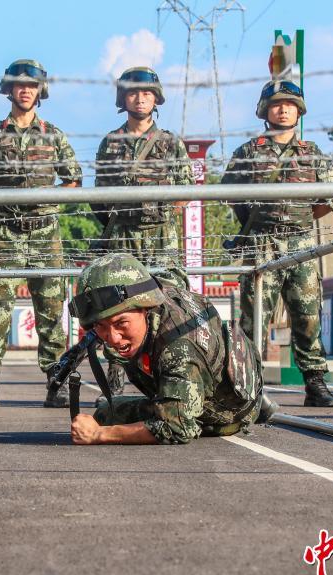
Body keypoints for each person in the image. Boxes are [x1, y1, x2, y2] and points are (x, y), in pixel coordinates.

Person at [0, 59, 82, 409]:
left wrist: (48, 202)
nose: (25, 90)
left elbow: (73, 180)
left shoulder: (54, 135)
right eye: (19, 85)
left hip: (46, 233)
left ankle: (55, 380)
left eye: (32, 85)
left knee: (49, 311)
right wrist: (0, 200)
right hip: (4, 232)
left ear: (40, 91)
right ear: (9, 90)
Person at [221, 80, 333, 412]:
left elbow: (329, 199)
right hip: (260, 242)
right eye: (276, 104)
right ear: (265, 111)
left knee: (308, 315)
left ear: (299, 110)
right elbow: (232, 194)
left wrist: (299, 221)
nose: (283, 109)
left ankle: (315, 383)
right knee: (254, 316)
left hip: (300, 241)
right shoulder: (248, 151)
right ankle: (248, 385)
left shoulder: (312, 152)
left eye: (289, 104)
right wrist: (257, 224)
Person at [67, 254, 261, 445]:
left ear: (145, 307)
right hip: (233, 382)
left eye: (122, 323)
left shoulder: (178, 348)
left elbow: (176, 429)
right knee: (106, 410)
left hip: (226, 414)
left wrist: (98, 434)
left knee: (105, 416)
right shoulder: (158, 291)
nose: (114, 338)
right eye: (100, 326)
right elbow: (175, 276)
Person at [93, 65, 194, 395]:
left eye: (147, 93)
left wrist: (161, 218)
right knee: (116, 302)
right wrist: (120, 220)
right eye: (134, 93)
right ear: (124, 98)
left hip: (161, 235)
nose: (140, 99)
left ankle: (170, 371)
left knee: (169, 299)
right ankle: (116, 376)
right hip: (122, 234)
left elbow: (185, 190)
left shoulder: (170, 143)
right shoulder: (111, 143)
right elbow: (99, 194)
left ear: (156, 98)